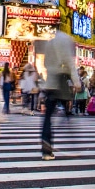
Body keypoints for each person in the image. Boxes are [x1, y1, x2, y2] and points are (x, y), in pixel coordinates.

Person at [37, 26, 77, 160]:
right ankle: (73, 140)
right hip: (61, 81)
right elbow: (69, 63)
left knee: (48, 116)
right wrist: (76, 81)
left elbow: (46, 64)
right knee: (66, 112)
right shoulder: (65, 42)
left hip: (50, 83)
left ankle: (46, 146)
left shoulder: (50, 44)